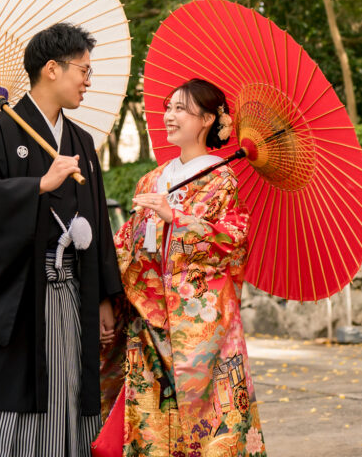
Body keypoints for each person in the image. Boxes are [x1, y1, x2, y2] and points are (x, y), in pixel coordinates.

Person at [0, 22, 122, 457]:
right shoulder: (0, 131)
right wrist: (38, 187)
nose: (88, 81)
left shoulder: (81, 143)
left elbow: (98, 222)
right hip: (23, 292)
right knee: (24, 389)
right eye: (82, 71)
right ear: (52, 68)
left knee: (70, 384)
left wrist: (106, 295)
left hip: (75, 290)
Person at [103, 78, 266, 457]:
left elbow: (231, 241)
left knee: (212, 430)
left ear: (208, 119)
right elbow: (128, 245)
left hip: (202, 330)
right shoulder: (152, 179)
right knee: (152, 430)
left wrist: (174, 216)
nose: (169, 116)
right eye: (168, 107)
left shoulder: (221, 179)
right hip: (148, 325)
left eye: (181, 109)